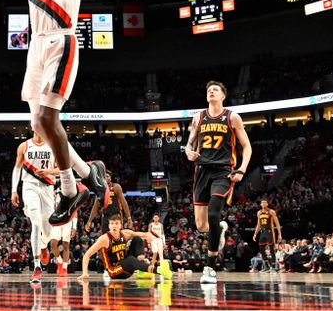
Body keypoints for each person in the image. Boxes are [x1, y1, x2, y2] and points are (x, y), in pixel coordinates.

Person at [15, 0, 108, 224]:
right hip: (35, 46)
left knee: (49, 118)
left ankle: (70, 190)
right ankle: (88, 170)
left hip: (62, 40)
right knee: (37, 124)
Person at [184, 81, 252, 284]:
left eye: (215, 90)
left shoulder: (232, 117)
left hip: (223, 171)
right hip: (202, 171)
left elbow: (246, 146)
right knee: (202, 225)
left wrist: (241, 169)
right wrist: (188, 152)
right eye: (208, 90)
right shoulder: (199, 117)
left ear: (223, 95)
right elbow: (189, 142)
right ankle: (220, 230)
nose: (211, 92)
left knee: (214, 214)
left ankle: (210, 268)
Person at [11, 129, 56, 284]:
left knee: (49, 231)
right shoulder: (24, 146)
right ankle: (37, 266)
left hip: (48, 188)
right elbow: (17, 169)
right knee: (36, 224)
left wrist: (49, 171)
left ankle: (43, 245)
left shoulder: (53, 145)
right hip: (29, 186)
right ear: (32, 127)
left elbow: (63, 169)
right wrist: (13, 190)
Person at [77, 213, 172, 282]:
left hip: (126, 266)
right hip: (114, 271)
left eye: (116, 223)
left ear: (120, 225)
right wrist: (85, 272)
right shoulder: (104, 239)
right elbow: (87, 254)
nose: (114, 225)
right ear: (109, 225)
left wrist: (149, 235)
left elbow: (140, 234)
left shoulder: (125, 233)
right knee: (130, 259)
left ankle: (141, 263)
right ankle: (159, 270)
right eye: (112, 223)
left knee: (137, 239)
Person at [253, 199, 281, 270]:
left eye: (265, 202)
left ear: (267, 204)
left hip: (270, 232)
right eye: (262, 203)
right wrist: (255, 234)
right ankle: (267, 266)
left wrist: (279, 234)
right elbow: (258, 224)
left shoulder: (271, 211)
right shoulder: (259, 212)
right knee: (261, 249)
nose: (264, 204)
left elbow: (277, 223)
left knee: (272, 249)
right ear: (261, 205)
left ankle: (274, 266)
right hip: (262, 233)